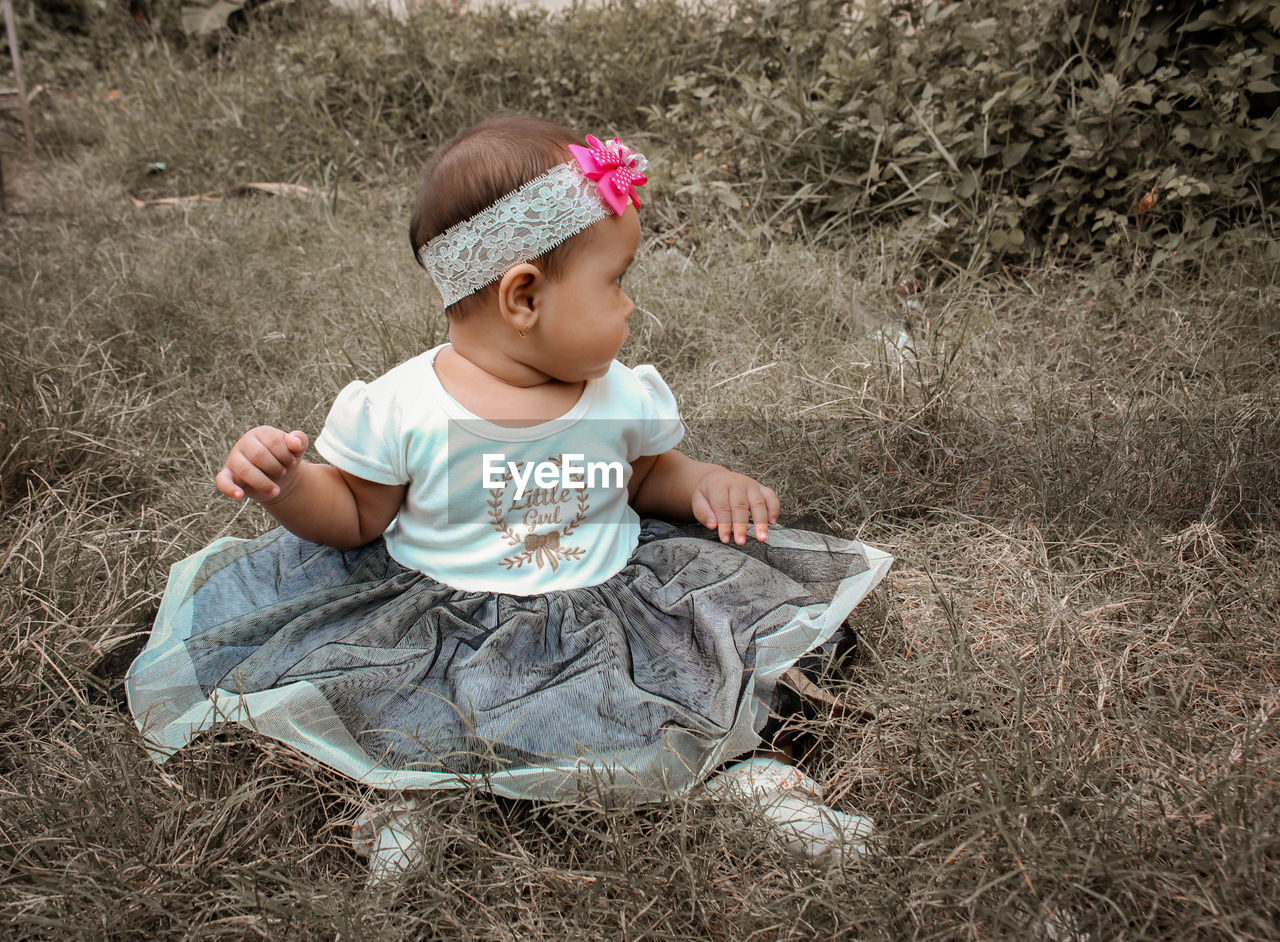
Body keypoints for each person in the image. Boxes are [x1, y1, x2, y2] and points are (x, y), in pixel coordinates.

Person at [125, 115, 893, 881]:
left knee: (697, 676)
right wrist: (290, 485)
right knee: (417, 709)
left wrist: (705, 485)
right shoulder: (403, 407)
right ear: (522, 295)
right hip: (448, 618)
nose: (629, 307)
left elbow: (650, 477)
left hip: (610, 599)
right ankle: (406, 805)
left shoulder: (616, 394)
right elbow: (355, 516)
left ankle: (754, 777)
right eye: (615, 281)